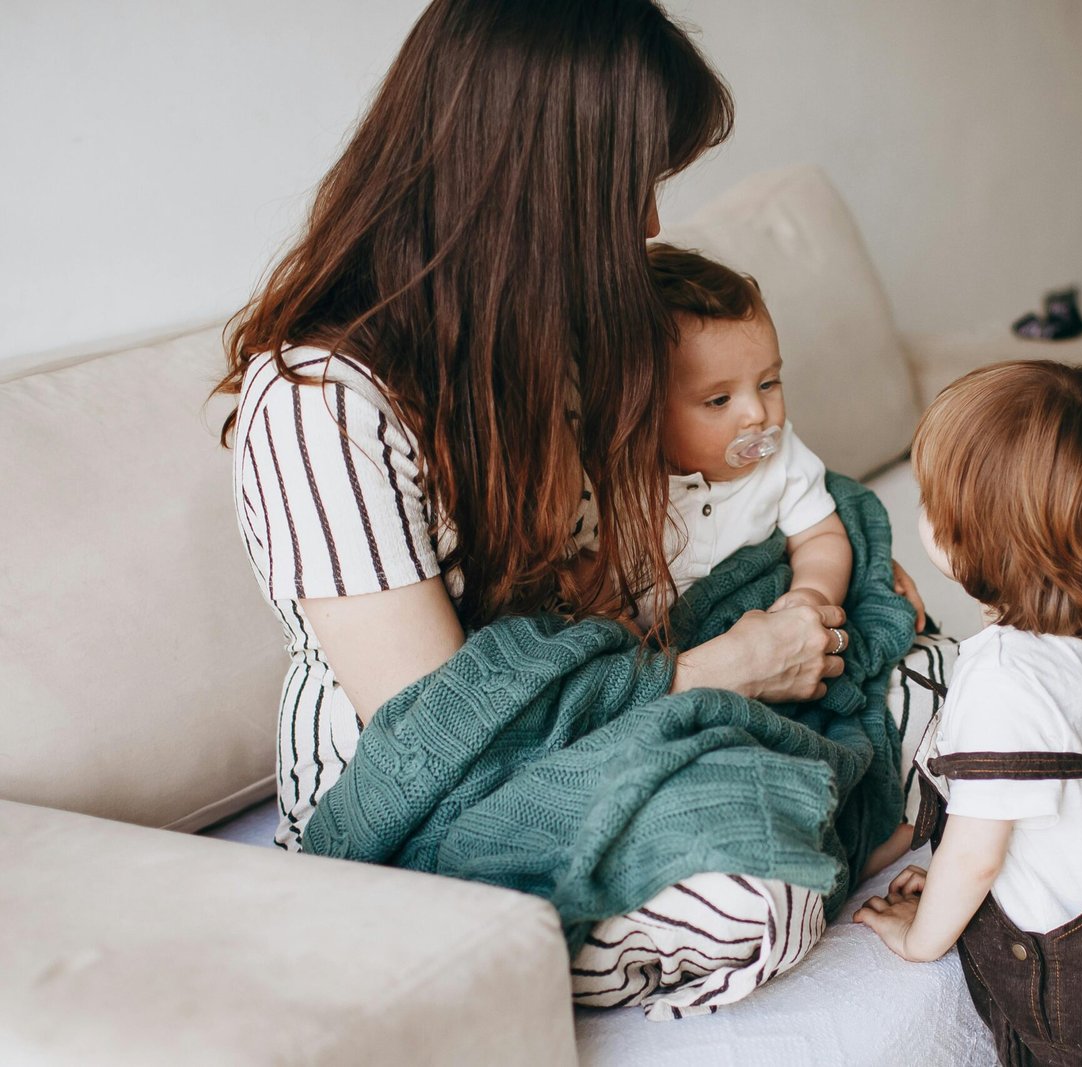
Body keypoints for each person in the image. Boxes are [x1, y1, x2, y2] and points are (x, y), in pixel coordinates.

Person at [215, 0, 921, 1020]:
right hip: (435, 791)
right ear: (536, 185)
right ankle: (459, 944)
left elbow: (716, 493)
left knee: (950, 677)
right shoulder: (324, 403)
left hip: (621, 702)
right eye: (630, 187)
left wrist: (816, 584)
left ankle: (810, 801)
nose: (645, 223)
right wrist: (716, 671)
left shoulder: (558, 336)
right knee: (751, 903)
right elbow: (447, 729)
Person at [853, 361, 1082, 1065]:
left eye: (930, 497)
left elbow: (979, 853)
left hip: (1064, 998)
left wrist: (923, 936)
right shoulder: (1081, 637)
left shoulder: (1000, 678)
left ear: (963, 534)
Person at [641, 243, 851, 631]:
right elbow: (601, 603)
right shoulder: (623, 494)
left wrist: (811, 594)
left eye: (769, 382)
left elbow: (820, 536)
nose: (757, 414)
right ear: (645, 416)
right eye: (719, 400)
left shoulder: (781, 454)